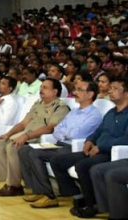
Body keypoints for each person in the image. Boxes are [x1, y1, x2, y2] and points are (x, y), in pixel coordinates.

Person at [50, 75, 128, 218]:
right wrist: (89, 141)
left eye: (115, 89)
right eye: (110, 88)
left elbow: (125, 138)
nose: (110, 91)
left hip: (113, 152)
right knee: (59, 160)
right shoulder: (111, 112)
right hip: (97, 149)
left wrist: (100, 147)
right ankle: (80, 197)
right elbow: (99, 131)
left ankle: (94, 205)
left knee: (83, 166)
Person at [18, 79, 102, 209]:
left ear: (90, 94)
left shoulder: (94, 115)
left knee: (35, 154)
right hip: (59, 143)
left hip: (73, 147)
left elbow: (76, 135)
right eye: (76, 89)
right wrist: (64, 133)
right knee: (24, 150)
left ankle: (49, 196)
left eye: (80, 90)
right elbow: (57, 129)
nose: (75, 92)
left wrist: (64, 132)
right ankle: (39, 191)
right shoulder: (74, 111)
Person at [0, 79, 70, 197]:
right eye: (41, 87)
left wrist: (26, 136)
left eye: (45, 88)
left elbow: (50, 128)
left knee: (12, 146)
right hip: (26, 133)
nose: (41, 89)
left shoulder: (60, 107)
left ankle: (14, 186)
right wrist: (8, 134)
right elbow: (23, 123)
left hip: (40, 137)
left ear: (55, 91)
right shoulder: (38, 104)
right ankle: (7, 182)